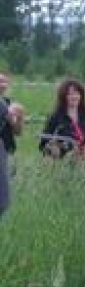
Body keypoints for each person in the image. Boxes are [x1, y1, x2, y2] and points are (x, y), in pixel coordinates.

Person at [39, 78, 85, 161]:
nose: (74, 97)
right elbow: (43, 144)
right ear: (63, 97)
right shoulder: (55, 118)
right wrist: (55, 149)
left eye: (77, 93)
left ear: (81, 96)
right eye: (70, 94)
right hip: (64, 164)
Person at [0, 71, 25, 215]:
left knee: (4, 194)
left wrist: (18, 117)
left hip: (6, 152)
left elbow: (18, 132)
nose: (1, 84)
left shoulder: (10, 104)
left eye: (4, 81)